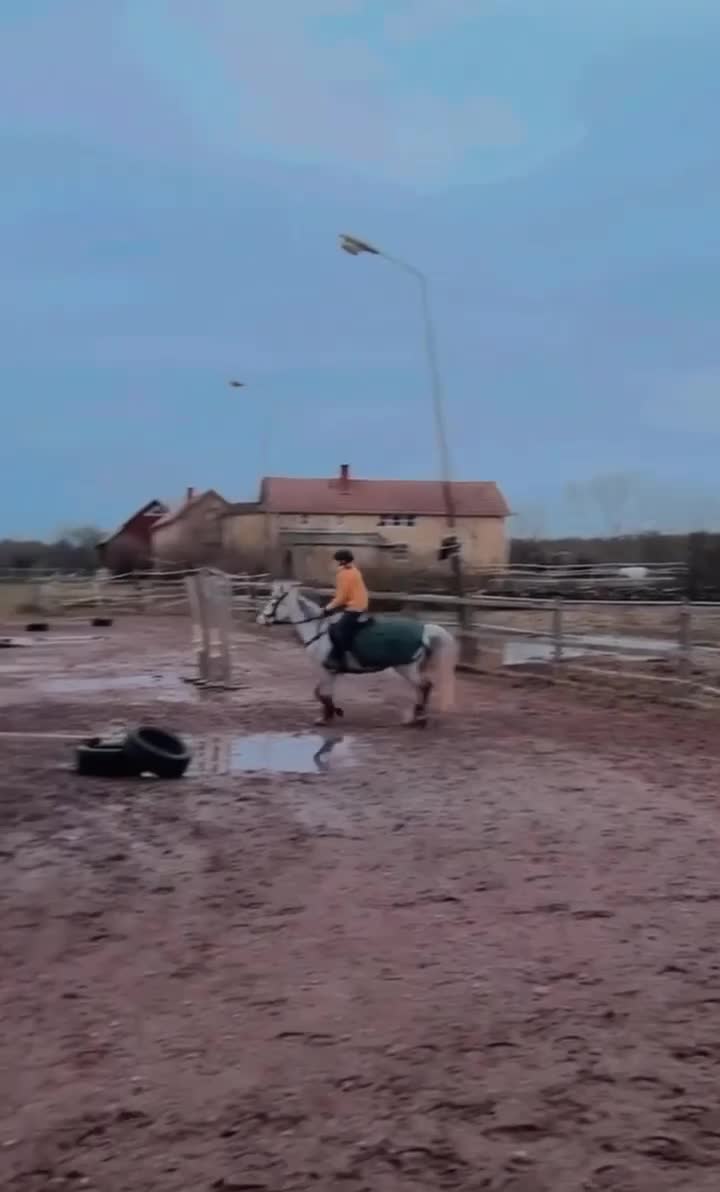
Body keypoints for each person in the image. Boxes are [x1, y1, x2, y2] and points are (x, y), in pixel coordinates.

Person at [324, 549, 369, 671]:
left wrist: (327, 608)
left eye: (335, 561)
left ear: (342, 561)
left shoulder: (344, 574)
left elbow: (341, 597)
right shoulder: (354, 570)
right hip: (359, 604)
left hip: (355, 607)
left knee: (336, 631)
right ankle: (336, 657)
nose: (333, 563)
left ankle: (345, 660)